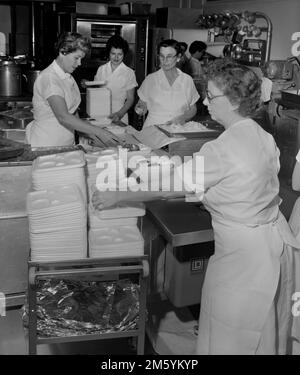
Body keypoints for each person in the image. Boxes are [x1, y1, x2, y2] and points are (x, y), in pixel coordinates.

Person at [92, 58, 298, 354]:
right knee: (260, 331)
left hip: (243, 257)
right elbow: (243, 183)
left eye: (211, 96)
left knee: (232, 334)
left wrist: (117, 195)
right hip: (270, 246)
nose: (205, 101)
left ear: (233, 100)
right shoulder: (262, 135)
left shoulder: (222, 147)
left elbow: (170, 186)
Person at [26, 32, 119, 148]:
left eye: (81, 59)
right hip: (47, 145)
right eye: (76, 58)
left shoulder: (68, 77)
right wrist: (99, 132)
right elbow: (63, 116)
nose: (79, 63)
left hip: (66, 143)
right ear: (63, 51)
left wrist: (88, 134)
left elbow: (73, 112)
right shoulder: (49, 78)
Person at [135, 39, 199, 128]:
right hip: (153, 129)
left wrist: (183, 117)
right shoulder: (150, 79)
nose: (165, 61)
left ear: (178, 57)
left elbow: (193, 108)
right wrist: (140, 107)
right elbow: (142, 103)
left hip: (177, 129)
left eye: (169, 56)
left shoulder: (187, 80)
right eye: (161, 56)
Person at [94, 35, 138, 124]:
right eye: (113, 54)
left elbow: (130, 99)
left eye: (120, 54)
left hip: (120, 114)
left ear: (124, 54)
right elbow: (96, 92)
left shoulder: (129, 72)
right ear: (108, 53)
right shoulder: (101, 69)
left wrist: (119, 114)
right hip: (100, 113)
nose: (116, 57)